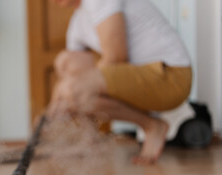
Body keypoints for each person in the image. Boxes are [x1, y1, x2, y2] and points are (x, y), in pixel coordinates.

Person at [49, 0, 192, 164]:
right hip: (140, 74)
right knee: (66, 62)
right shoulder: (77, 21)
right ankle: (89, 140)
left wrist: (69, 92)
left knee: (75, 90)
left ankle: (152, 126)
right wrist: (51, 112)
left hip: (171, 77)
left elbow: (116, 57)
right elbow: (69, 76)